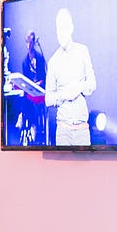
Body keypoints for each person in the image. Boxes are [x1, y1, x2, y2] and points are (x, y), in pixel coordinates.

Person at [45, 8, 97, 146]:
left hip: (82, 131)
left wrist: (79, 87)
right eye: (58, 29)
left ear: (71, 28)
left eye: (64, 28)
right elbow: (48, 99)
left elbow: (92, 84)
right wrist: (64, 94)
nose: (61, 33)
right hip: (63, 132)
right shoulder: (53, 61)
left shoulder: (82, 51)